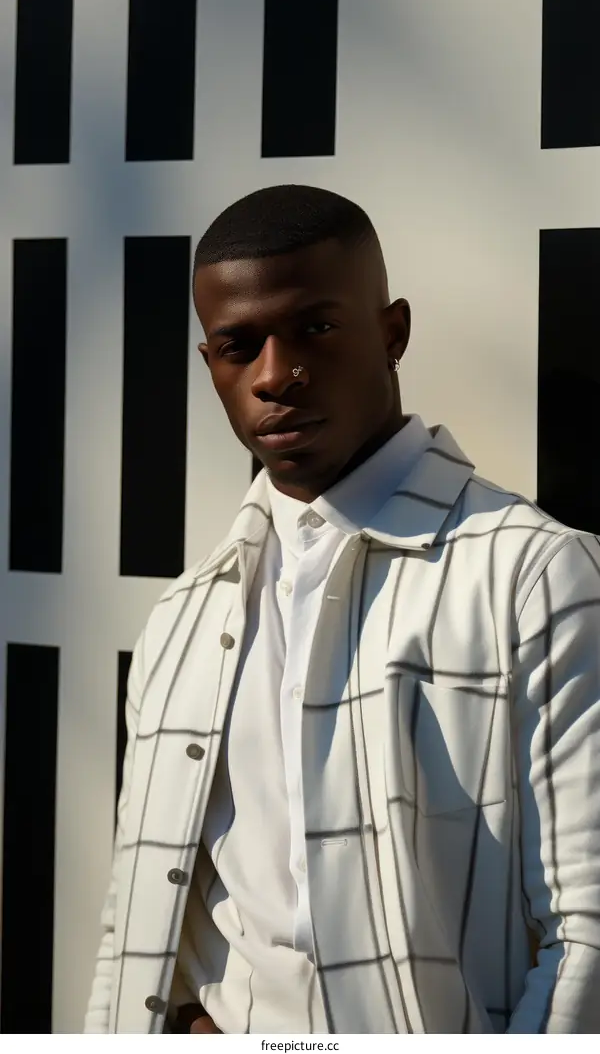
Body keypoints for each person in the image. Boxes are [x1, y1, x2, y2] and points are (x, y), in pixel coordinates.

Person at [84, 184, 600, 1035]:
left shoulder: (534, 576)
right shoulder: (182, 617)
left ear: (393, 332)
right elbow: (135, 929)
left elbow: (586, 929)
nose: (275, 374)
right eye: (236, 345)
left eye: (315, 328)